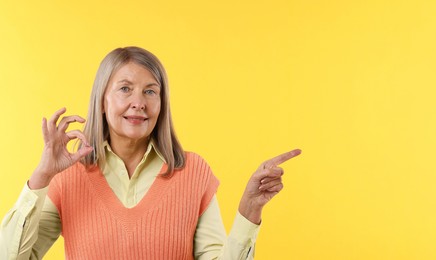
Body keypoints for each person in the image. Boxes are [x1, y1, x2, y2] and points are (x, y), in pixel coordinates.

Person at [0, 46, 301, 259]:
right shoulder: (68, 178)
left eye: (150, 91)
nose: (138, 102)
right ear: (101, 100)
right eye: (125, 89)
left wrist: (249, 211)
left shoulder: (193, 172)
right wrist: (42, 177)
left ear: (162, 103)